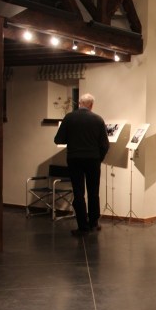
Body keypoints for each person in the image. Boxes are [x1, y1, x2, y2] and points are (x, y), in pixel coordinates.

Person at [54, 93, 109, 236]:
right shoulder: (98, 119)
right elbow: (105, 144)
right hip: (93, 160)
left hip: (75, 159)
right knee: (93, 192)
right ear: (91, 105)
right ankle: (94, 223)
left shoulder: (69, 118)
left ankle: (82, 226)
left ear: (79, 103)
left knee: (78, 193)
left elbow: (58, 139)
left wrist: (72, 140)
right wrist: (99, 158)